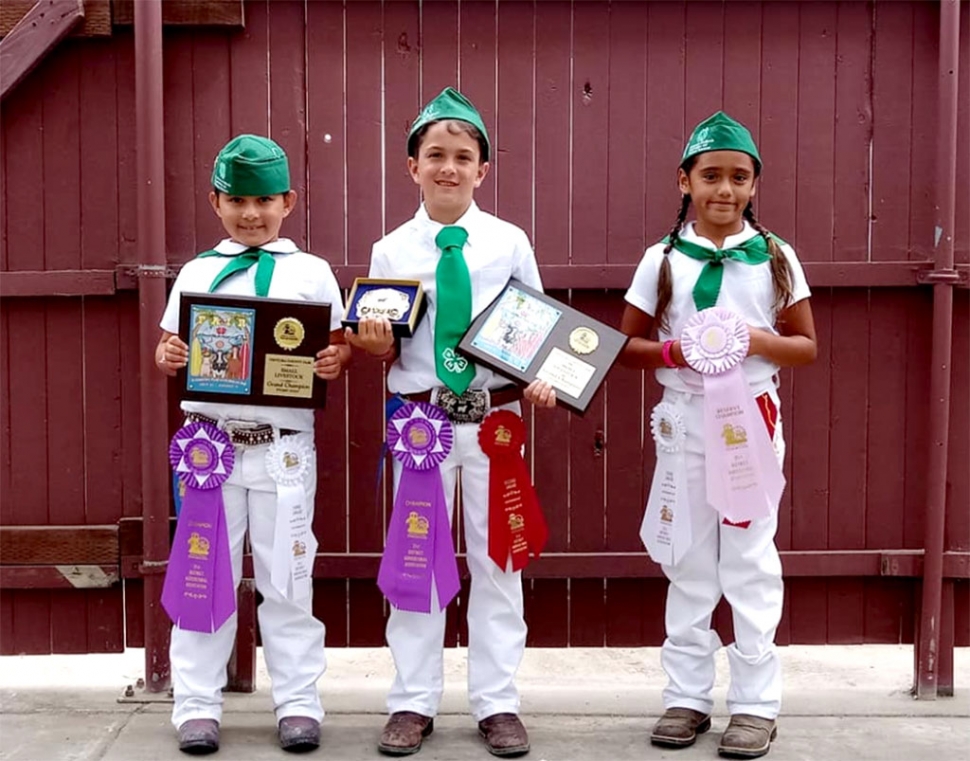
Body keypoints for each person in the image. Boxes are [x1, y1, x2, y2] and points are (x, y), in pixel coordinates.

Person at [346, 87, 556, 758]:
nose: (448, 167)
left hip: (492, 425)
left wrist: (542, 377)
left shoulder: (508, 242)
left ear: (482, 169)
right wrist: (373, 340)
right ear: (412, 165)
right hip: (422, 426)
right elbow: (383, 345)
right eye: (434, 154)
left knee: (499, 563)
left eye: (463, 157)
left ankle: (498, 703)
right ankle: (412, 699)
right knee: (418, 562)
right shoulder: (391, 249)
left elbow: (534, 330)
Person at [619, 112, 817, 759]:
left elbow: (806, 346)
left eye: (738, 176)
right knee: (686, 557)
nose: (724, 189)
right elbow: (629, 345)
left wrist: (759, 341)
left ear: (755, 184)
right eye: (711, 175)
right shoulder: (662, 260)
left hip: (750, 425)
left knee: (750, 558)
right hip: (684, 426)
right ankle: (687, 695)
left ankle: (757, 703)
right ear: (685, 180)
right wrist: (677, 352)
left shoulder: (777, 258)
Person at [155, 134, 350, 755]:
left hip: (285, 450)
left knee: (288, 576)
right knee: (203, 576)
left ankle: (297, 703)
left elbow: (338, 345)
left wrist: (332, 360)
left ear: (288, 201)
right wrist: (170, 354)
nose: (252, 213)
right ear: (216, 201)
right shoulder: (197, 272)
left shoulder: (311, 272)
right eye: (237, 200)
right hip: (209, 452)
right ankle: (195, 705)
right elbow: (168, 348)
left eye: (265, 199)